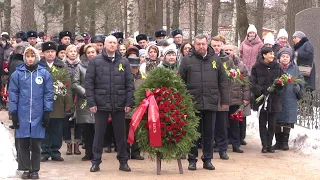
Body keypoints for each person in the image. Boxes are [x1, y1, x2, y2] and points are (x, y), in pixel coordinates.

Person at [179, 34, 229, 171]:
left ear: (207, 45)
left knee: (209, 133)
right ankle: (192, 159)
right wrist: (182, 101)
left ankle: (207, 159)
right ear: (194, 45)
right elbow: (180, 82)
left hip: (211, 101)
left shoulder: (215, 59)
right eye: (198, 44)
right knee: (193, 133)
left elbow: (223, 81)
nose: (201, 46)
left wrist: (224, 100)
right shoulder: (186, 60)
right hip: (192, 103)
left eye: (203, 44)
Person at [85, 35, 134, 172]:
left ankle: (123, 161)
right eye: (110, 43)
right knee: (99, 134)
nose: (112, 45)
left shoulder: (124, 62)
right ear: (105, 45)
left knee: (120, 135)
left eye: (114, 43)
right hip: (101, 103)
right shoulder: (95, 61)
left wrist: (129, 101)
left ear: (117, 45)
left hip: (119, 102)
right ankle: (96, 161)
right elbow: (89, 83)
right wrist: (92, 102)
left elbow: (129, 84)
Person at [9, 46, 54, 179]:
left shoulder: (44, 74)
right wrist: (14, 113)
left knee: (35, 143)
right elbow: (13, 94)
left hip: (38, 114)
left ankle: (35, 169)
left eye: (32, 56)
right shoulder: (17, 74)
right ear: (24, 58)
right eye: (27, 56)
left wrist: (47, 112)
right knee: (22, 142)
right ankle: (25, 168)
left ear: (36, 58)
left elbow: (48, 94)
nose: (30, 59)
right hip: (22, 114)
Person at [39, 41, 73, 162]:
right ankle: (44, 151)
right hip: (42, 102)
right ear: (43, 53)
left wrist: (68, 104)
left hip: (58, 102)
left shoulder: (61, 66)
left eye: (52, 51)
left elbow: (67, 84)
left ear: (56, 53)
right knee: (44, 126)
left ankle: (55, 151)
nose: (50, 54)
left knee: (57, 127)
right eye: (47, 52)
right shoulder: (39, 66)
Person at [250, 46, 283, 153]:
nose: (272, 56)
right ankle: (264, 145)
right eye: (270, 54)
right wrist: (262, 90)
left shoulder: (277, 66)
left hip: (274, 99)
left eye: (273, 54)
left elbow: (282, 80)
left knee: (272, 123)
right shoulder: (256, 67)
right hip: (262, 99)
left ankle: (269, 144)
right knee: (262, 123)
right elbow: (252, 83)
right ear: (264, 55)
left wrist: (278, 87)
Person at [274, 48, 304, 151]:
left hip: (290, 97)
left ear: (290, 58)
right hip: (277, 97)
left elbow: (301, 80)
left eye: (287, 56)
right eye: (283, 56)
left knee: (287, 120)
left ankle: (285, 142)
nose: (285, 58)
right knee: (276, 119)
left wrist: (299, 86)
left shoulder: (295, 69)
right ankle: (278, 142)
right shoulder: (276, 67)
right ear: (279, 58)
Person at [72, 43, 99, 161]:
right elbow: (75, 83)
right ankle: (88, 151)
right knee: (87, 128)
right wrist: (85, 92)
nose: (91, 54)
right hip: (84, 100)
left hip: (99, 99)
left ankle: (97, 152)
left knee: (98, 127)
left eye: (93, 52)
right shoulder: (80, 66)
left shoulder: (103, 65)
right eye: (88, 52)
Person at [211, 36, 235, 160]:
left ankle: (223, 149)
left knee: (222, 125)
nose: (216, 48)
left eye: (218, 45)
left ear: (222, 46)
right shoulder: (207, 58)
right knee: (210, 125)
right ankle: (209, 148)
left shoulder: (227, 60)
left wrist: (230, 76)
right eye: (214, 45)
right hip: (209, 95)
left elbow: (233, 75)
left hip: (222, 96)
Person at [224, 43, 250, 153]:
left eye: (230, 49)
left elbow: (246, 83)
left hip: (235, 98)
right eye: (226, 50)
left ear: (234, 51)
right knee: (223, 124)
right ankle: (222, 144)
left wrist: (246, 97)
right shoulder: (220, 63)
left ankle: (236, 144)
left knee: (235, 123)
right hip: (223, 99)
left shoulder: (241, 65)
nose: (228, 52)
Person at [64, 44, 82, 156]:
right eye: (71, 51)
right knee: (66, 119)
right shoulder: (62, 65)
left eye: (75, 51)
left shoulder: (81, 65)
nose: (73, 53)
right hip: (66, 94)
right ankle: (69, 143)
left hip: (78, 94)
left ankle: (77, 143)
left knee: (78, 119)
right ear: (66, 53)